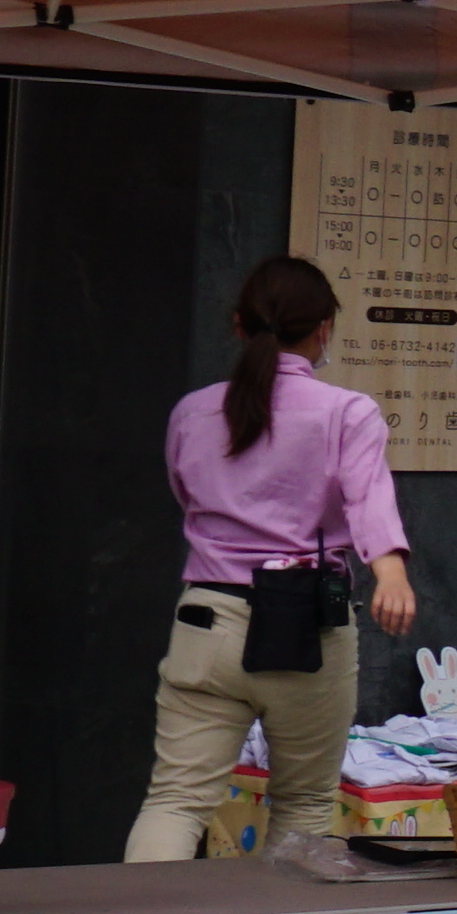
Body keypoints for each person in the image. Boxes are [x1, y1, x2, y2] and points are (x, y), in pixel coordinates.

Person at [136, 256, 421, 878]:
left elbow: (189, 500)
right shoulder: (347, 412)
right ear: (324, 330)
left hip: (205, 619)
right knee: (306, 803)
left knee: (177, 800)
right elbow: (368, 499)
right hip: (305, 623)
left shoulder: (192, 412)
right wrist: (390, 573)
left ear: (239, 326)